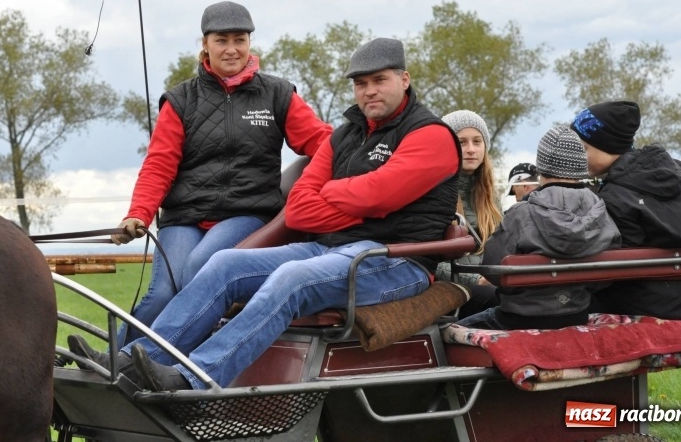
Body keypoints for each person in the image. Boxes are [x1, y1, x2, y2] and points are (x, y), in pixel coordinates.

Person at [70, 37, 461, 390]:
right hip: (327, 250)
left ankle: (193, 377)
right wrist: (358, 202)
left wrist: (340, 194)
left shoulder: (430, 136)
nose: (369, 91)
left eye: (379, 80)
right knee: (224, 264)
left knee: (292, 277)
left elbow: (378, 195)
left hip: (391, 260)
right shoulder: (346, 135)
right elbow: (301, 211)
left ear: (404, 79)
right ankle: (127, 363)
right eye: (361, 84)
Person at [110, 1, 332, 345]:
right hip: (184, 216)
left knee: (198, 266)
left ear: (249, 43)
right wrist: (138, 213)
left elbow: (321, 141)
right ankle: (109, 359)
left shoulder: (277, 94)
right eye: (222, 40)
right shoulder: (181, 100)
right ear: (205, 45)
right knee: (161, 293)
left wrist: (366, 152)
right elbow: (158, 164)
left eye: (239, 40)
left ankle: (147, 358)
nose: (232, 49)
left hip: (246, 212)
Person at [455, 126, 621, 330]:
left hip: (517, 317)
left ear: (541, 168)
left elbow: (493, 269)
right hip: (576, 314)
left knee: (449, 332)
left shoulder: (522, 214)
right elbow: (608, 272)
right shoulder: (600, 211)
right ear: (580, 165)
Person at [570, 100, 681, 319]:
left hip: (638, 308)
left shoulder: (613, 197)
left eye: (583, 148)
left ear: (606, 144)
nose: (578, 156)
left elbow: (609, 273)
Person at [434, 110, 502, 286]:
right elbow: (426, 260)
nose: (471, 149)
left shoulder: (492, 197)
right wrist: (476, 280)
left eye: (477, 141)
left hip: (491, 282)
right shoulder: (433, 194)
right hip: (452, 289)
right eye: (461, 142)